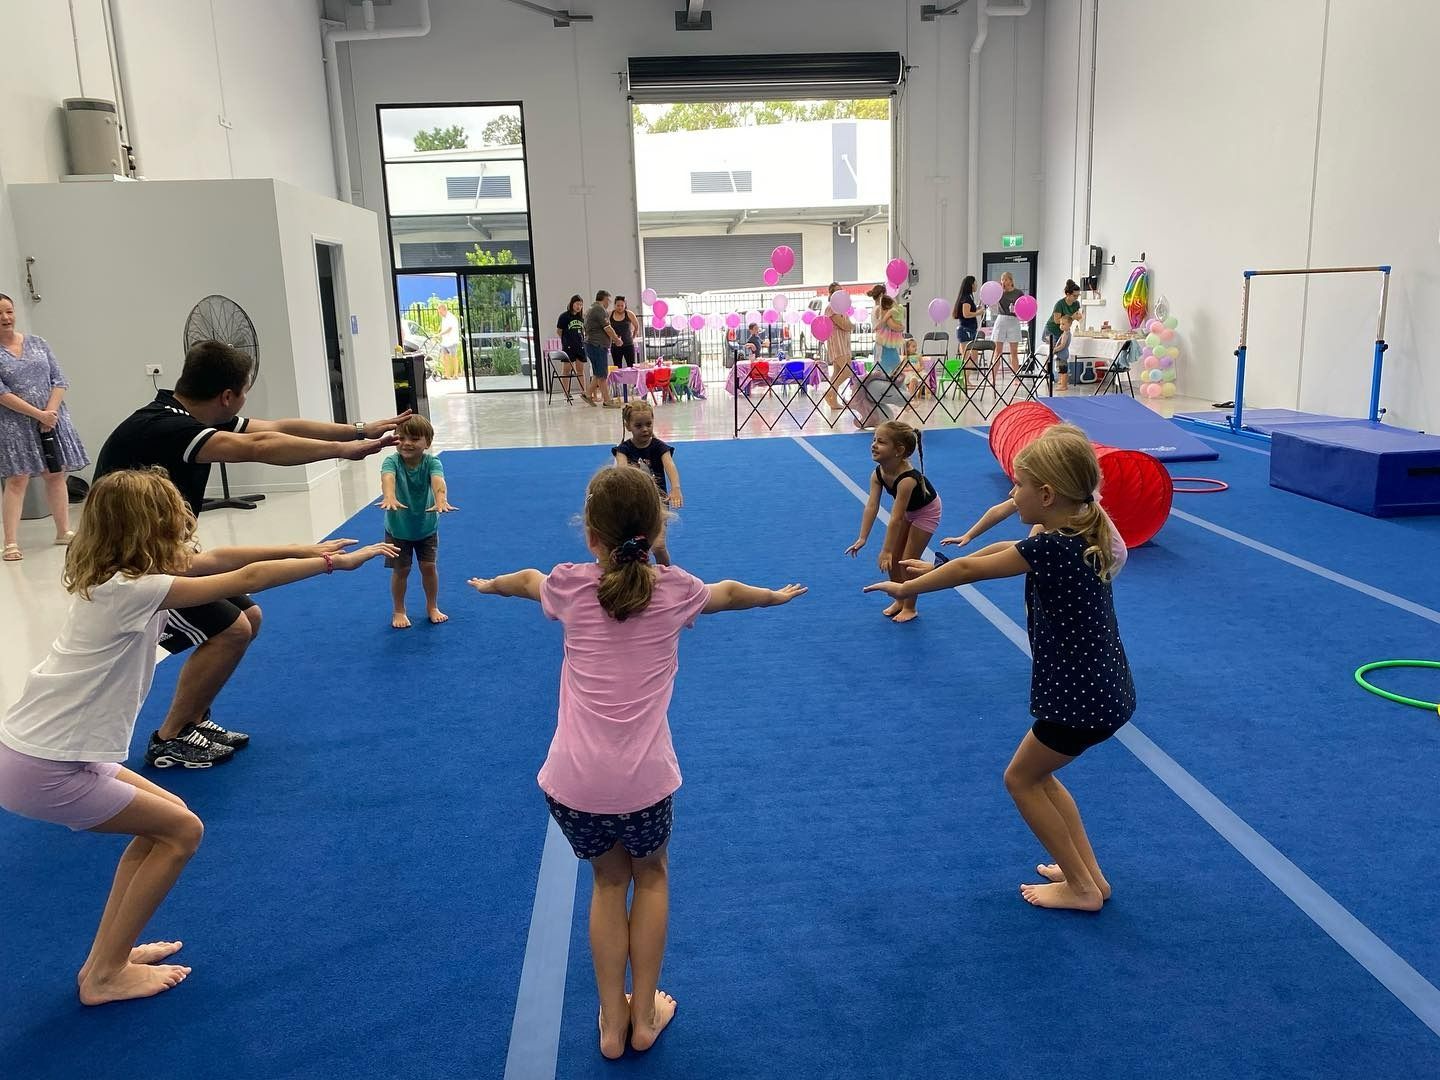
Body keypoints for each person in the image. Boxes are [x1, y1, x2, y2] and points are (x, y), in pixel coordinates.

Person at [0, 467, 395, 1004]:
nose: (185, 525)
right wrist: (330, 563)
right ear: (152, 527)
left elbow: (221, 560)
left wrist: (303, 545)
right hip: (45, 765)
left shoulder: (113, 577)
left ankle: (107, 959)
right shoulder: (139, 589)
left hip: (43, 751)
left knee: (162, 827)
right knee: (182, 832)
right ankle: (104, 978)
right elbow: (234, 581)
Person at [466, 466, 806, 1059]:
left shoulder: (569, 585)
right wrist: (771, 597)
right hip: (645, 783)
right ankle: (643, 1015)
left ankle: (610, 1024)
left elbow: (525, 580)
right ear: (656, 530)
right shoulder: (675, 590)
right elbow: (726, 592)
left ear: (590, 535)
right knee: (650, 877)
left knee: (607, 882)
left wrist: (490, 585)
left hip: (574, 784)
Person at [92, 339, 407, 768]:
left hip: (163, 554)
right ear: (227, 395)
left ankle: (191, 720)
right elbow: (259, 447)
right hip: (132, 569)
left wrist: (357, 430)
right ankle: (170, 738)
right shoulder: (172, 430)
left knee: (248, 619)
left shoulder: (179, 413)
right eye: (243, 392)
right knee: (232, 629)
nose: (244, 403)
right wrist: (343, 451)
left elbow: (274, 428)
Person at [865, 425, 1135, 911]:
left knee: (1022, 779)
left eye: (1019, 486)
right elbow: (990, 555)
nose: (1012, 494)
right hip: (1102, 689)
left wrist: (908, 589)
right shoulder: (1074, 533)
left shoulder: (1053, 548)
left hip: (1078, 700)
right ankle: (1089, 875)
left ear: (1047, 494)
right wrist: (942, 562)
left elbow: (973, 572)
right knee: (1043, 778)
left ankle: (1081, 888)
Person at [941, 424, 1128, 573]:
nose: (1012, 492)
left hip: (1108, 555)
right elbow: (1000, 510)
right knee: (1030, 545)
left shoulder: (1070, 497)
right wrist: (969, 535)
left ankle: (1034, 560)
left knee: (1034, 542)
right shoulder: (1053, 497)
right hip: (1086, 549)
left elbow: (966, 570)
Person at [0, 292, 88, 561]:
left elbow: (59, 379)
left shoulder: (38, 343)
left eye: (9, 311)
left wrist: (49, 412)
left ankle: (63, 531)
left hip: (52, 419)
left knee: (55, 473)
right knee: (17, 479)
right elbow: (2, 393)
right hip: (16, 424)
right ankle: (11, 542)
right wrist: (38, 414)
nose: (5, 318)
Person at [845, 420, 940, 623]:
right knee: (893, 561)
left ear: (898, 450)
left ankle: (910, 606)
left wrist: (886, 550)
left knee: (907, 561)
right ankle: (900, 596)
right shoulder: (878, 473)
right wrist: (863, 537)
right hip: (908, 510)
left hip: (926, 512)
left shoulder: (907, 479)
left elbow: (896, 518)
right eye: (874, 440)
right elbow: (872, 506)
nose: (873, 445)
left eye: (881, 442)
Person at [377, 415, 455, 628]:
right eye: (401, 438)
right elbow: (388, 478)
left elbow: (438, 480)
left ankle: (432, 606)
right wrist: (389, 496)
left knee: (429, 567)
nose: (407, 443)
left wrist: (441, 499)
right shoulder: (391, 461)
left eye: (414, 438)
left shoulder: (432, 462)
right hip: (398, 528)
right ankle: (399, 609)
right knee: (401, 571)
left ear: (427, 443)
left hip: (426, 526)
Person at [613, 401, 682, 566]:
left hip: (658, 502)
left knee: (658, 546)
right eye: (639, 425)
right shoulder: (623, 449)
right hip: (634, 504)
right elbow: (622, 471)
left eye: (648, 424)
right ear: (628, 426)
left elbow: (670, 466)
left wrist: (676, 488)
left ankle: (667, 574)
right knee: (634, 546)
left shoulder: (659, 447)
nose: (645, 429)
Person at [584, 291, 623, 408]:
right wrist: (616, 339)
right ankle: (607, 401)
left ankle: (587, 394)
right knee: (602, 375)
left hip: (592, 344)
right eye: (609, 301)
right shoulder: (599, 310)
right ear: (604, 299)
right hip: (597, 345)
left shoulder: (591, 308)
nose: (609, 303)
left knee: (598, 372)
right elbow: (607, 328)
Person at [1043, 281, 1084, 391]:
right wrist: (1072, 317)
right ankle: (1049, 376)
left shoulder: (1076, 304)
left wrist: (1078, 317)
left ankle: (1060, 380)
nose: (1076, 298)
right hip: (1052, 329)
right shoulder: (1060, 304)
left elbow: (1076, 317)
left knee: (1060, 356)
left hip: (1063, 330)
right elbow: (1057, 320)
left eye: (1078, 295)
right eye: (1074, 295)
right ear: (1068, 294)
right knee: (1054, 354)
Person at [822, 283, 854, 411]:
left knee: (836, 373)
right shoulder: (831, 308)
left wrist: (849, 325)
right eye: (837, 292)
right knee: (847, 371)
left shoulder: (842, 309)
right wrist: (849, 325)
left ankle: (833, 400)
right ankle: (829, 392)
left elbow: (848, 325)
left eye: (841, 291)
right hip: (837, 343)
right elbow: (845, 325)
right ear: (831, 295)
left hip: (844, 342)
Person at [555, 295, 587, 404]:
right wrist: (566, 340)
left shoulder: (581, 318)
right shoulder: (564, 317)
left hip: (580, 346)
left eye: (581, 305)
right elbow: (559, 331)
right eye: (577, 304)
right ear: (572, 304)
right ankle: (566, 392)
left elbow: (583, 331)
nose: (579, 307)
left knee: (580, 370)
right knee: (566, 370)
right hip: (568, 347)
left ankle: (584, 391)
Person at [992, 271, 1024, 375]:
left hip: (1013, 320)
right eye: (1002, 279)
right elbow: (992, 304)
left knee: (1014, 352)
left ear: (1011, 280)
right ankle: (993, 377)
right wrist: (998, 291)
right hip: (1001, 319)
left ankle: (1016, 377)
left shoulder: (1018, 293)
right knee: (998, 351)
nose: (1004, 282)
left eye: (1006, 279)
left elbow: (1023, 306)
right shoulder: (999, 292)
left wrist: (1017, 310)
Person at [609, 296, 639, 369]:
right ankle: (618, 381)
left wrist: (633, 337)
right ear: (615, 305)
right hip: (615, 345)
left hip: (628, 344)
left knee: (631, 365)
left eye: (622, 305)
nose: (620, 307)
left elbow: (637, 326)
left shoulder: (629, 314)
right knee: (617, 366)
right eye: (618, 305)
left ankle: (631, 380)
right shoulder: (610, 314)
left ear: (625, 305)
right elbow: (607, 328)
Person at [952, 275, 980, 350]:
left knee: (973, 357)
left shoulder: (968, 297)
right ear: (971, 285)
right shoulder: (966, 298)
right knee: (970, 357)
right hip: (966, 330)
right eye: (975, 283)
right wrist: (978, 313)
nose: (976, 285)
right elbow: (966, 314)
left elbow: (967, 311)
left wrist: (976, 309)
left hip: (970, 329)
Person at [437, 303, 462, 380]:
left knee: (453, 357)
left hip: (452, 340)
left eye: (440, 312)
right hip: (445, 341)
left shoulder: (451, 318)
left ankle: (455, 374)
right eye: (439, 312)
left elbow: (450, 329)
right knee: (445, 357)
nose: (439, 313)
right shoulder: (443, 318)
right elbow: (443, 328)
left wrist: (440, 334)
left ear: (445, 310)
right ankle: (447, 374)